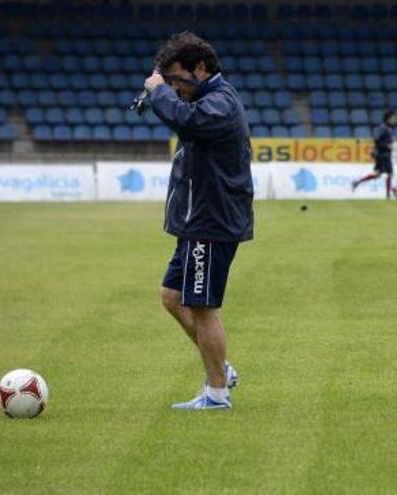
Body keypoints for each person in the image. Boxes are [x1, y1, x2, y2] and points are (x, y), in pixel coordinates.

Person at [145, 32, 253, 410]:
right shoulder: (209, 99)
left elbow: (183, 121)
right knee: (172, 296)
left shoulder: (220, 103)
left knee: (203, 307)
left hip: (212, 222)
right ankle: (220, 367)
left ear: (201, 68)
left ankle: (217, 392)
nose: (176, 89)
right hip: (199, 221)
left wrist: (159, 92)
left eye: (178, 80)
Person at [352, 109, 397, 199]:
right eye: (393, 118)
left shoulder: (387, 128)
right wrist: (387, 146)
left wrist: (390, 141)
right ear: (388, 119)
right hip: (383, 154)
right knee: (390, 174)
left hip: (383, 154)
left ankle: (357, 182)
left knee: (377, 174)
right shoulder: (383, 128)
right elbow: (377, 140)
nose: (395, 120)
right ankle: (388, 195)